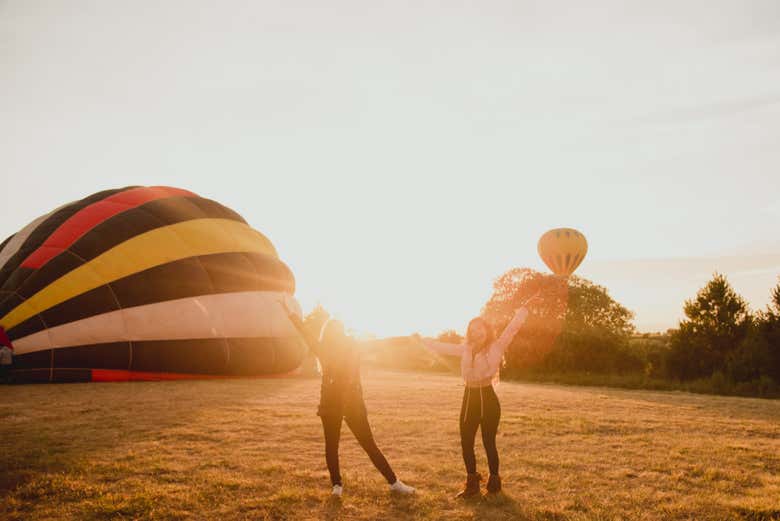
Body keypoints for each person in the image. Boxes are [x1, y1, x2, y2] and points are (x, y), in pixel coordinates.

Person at [281, 299, 415, 498]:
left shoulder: (353, 346)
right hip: (331, 404)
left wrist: (407, 338)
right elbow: (304, 331)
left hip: (353, 403)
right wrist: (290, 314)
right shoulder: (323, 349)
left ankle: (394, 482)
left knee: (368, 444)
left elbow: (380, 343)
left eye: (342, 330)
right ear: (330, 334)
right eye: (337, 331)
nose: (341, 334)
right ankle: (337, 485)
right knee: (332, 445)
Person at [416, 297, 538, 498]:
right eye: (472, 329)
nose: (475, 332)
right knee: (466, 442)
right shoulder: (465, 348)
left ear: (486, 330)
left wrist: (523, 311)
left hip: (488, 399)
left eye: (479, 329)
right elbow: (443, 347)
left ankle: (494, 482)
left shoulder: (497, 346)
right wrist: (422, 341)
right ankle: (472, 484)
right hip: (469, 398)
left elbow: (512, 329)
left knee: (489, 442)